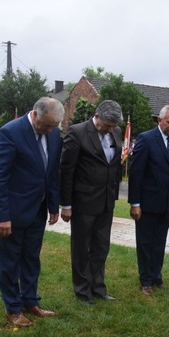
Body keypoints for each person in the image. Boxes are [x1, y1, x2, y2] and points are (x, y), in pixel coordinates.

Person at [0, 97, 63, 327]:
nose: (50, 130)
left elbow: (51, 172)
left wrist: (53, 205)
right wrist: (2, 216)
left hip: (38, 211)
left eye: (54, 126)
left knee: (32, 258)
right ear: (35, 114)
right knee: (10, 261)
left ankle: (30, 301)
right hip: (12, 212)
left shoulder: (54, 134)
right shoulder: (10, 132)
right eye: (47, 125)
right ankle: (13, 308)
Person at [60, 100, 123, 305]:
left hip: (106, 201)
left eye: (113, 126)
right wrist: (66, 205)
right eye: (107, 125)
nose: (110, 129)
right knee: (81, 248)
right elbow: (66, 170)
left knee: (101, 247)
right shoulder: (77, 133)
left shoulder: (117, 132)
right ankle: (82, 290)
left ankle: (98, 287)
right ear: (97, 115)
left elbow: (114, 165)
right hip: (83, 201)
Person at [128, 105, 169, 296]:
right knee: (145, 243)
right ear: (159, 120)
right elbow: (135, 173)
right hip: (146, 203)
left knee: (160, 242)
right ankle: (145, 281)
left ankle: (156, 276)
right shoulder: (146, 139)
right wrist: (135, 203)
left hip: (166, 203)